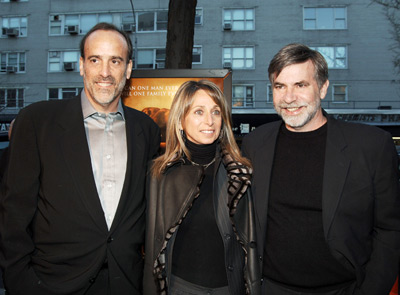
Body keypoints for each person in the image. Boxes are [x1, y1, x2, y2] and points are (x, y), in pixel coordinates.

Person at [0, 22, 160, 295]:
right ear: (82, 65)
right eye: (95, 60)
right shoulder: (38, 122)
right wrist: (22, 283)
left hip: (126, 283)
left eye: (115, 61)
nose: (105, 72)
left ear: (129, 69)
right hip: (52, 284)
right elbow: (13, 214)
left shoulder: (146, 129)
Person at [241, 43, 400, 295]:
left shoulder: (371, 146)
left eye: (301, 85)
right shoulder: (254, 143)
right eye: (280, 86)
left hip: (344, 289)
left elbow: (390, 229)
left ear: (323, 88)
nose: (288, 98)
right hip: (271, 288)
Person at [143, 80, 261, 295]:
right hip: (180, 288)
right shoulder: (160, 174)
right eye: (199, 112)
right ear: (180, 120)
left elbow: (251, 242)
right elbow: (152, 245)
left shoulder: (240, 173)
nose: (209, 121)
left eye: (216, 112)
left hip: (230, 288)